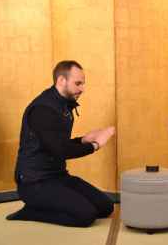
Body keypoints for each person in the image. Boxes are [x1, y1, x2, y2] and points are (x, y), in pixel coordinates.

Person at [7, 60, 115, 227]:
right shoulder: (43, 108)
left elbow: (56, 144)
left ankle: (49, 204)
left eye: (83, 84)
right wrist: (95, 145)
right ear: (61, 81)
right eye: (78, 83)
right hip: (34, 182)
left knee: (106, 207)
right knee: (86, 216)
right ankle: (31, 210)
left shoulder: (63, 105)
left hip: (57, 177)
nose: (82, 89)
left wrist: (83, 140)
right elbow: (61, 150)